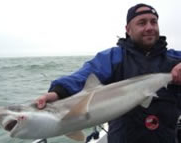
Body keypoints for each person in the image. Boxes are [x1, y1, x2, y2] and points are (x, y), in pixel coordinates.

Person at [36, 3, 181, 143]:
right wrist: (59, 92)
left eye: (153, 22)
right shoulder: (113, 58)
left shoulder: (175, 59)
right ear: (128, 29)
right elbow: (84, 76)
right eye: (142, 23)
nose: (149, 27)